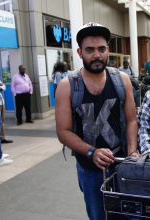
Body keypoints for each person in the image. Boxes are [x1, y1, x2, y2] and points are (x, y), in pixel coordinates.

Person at [55, 22, 139, 220]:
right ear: (79, 52)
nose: (96, 55)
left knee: (130, 214)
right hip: (89, 169)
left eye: (101, 49)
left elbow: (132, 120)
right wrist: (91, 152)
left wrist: (133, 151)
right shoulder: (68, 86)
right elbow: (63, 131)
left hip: (122, 164)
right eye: (89, 50)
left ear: (108, 50)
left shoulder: (122, 80)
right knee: (98, 215)